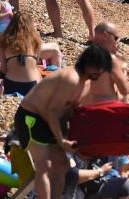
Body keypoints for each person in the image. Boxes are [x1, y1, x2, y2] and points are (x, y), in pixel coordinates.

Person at [15, 46, 114, 199]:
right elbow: (52, 111)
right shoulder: (71, 78)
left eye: (102, 69)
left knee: (62, 165)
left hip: (50, 122)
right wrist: (61, 140)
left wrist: (78, 142)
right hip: (31, 118)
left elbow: (71, 113)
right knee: (44, 165)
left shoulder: (86, 83)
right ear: (86, 63)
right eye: (97, 67)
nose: (99, 72)